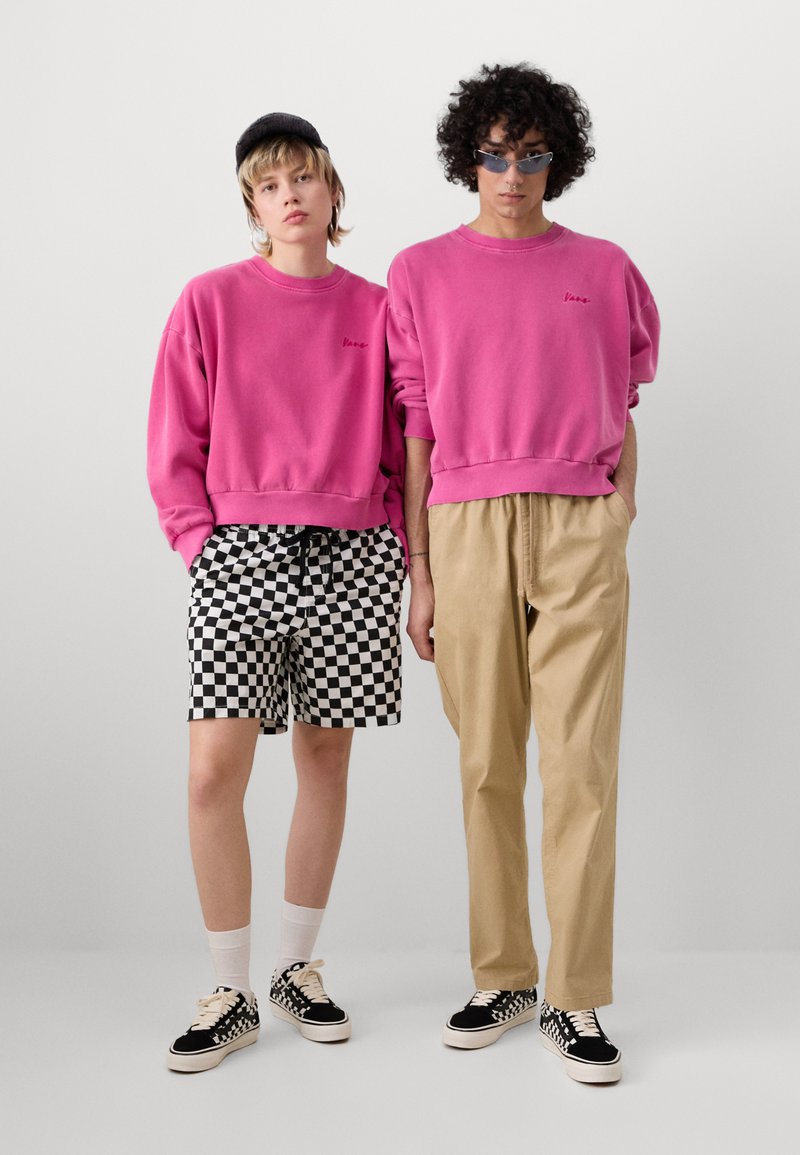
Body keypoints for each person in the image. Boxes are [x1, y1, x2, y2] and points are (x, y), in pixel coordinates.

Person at [388, 63, 659, 1083]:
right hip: (462, 523)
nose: (511, 176)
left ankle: (574, 994)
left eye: (532, 156)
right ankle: (502, 974)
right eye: (494, 156)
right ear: (468, 158)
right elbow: (416, 428)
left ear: (558, 161)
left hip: (579, 521)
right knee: (486, 762)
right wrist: (419, 569)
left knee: (580, 763)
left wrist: (616, 509)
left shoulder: (606, 267)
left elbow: (624, 402)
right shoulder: (419, 272)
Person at [147, 112, 406, 1073]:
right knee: (213, 770)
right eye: (269, 184)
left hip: (354, 554)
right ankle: (231, 987)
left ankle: (296, 969)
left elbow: (407, 441)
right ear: (251, 205)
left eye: (304, 177)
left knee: (324, 759)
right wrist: (200, 544)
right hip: (238, 553)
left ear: (333, 191)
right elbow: (174, 434)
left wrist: (400, 547)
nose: (289, 195)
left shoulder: (380, 308)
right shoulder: (210, 300)